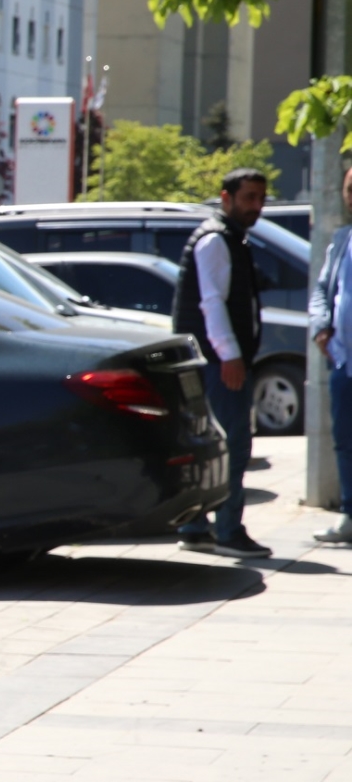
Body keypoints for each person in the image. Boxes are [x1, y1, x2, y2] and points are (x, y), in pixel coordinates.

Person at [173, 167, 273, 558]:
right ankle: (228, 530)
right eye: (249, 197)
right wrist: (230, 356)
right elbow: (212, 303)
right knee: (232, 446)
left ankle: (196, 527)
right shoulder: (216, 239)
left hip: (217, 361)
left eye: (261, 198)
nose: (256, 206)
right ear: (226, 197)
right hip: (218, 364)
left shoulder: (231, 238)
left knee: (214, 447)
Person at [310, 166, 352, 545]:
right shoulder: (341, 240)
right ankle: (349, 515)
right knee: (344, 440)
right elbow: (323, 289)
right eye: (350, 189)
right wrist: (321, 327)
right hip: (344, 363)